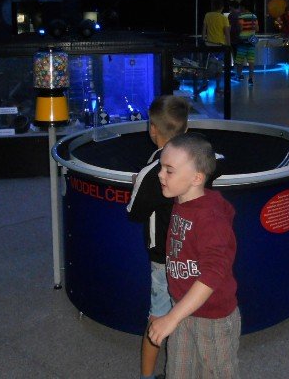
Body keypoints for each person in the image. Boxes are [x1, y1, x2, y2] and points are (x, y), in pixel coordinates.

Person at [148, 133, 240, 379]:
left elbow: (213, 274)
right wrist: (176, 314)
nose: (160, 175)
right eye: (161, 168)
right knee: (178, 372)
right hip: (182, 308)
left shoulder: (211, 218)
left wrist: (171, 318)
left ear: (197, 178)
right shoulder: (182, 201)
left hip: (212, 319)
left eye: (169, 170)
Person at [127, 95, 191, 379]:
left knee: (158, 319)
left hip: (163, 258)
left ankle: (147, 376)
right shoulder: (198, 160)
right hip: (193, 255)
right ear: (186, 129)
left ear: (152, 128)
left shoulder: (152, 173)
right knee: (187, 315)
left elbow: (134, 212)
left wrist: (136, 185)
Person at [201, 0, 230, 94]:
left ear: (213, 6)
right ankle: (217, 87)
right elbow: (227, 33)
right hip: (220, 46)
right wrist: (228, 46)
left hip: (209, 45)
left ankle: (205, 84)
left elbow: (204, 30)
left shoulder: (207, 15)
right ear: (222, 8)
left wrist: (203, 40)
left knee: (207, 66)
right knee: (219, 66)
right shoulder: (224, 18)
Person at [234, 0, 258, 86]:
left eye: (240, 7)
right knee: (251, 61)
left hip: (242, 41)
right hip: (251, 42)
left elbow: (240, 28)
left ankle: (238, 76)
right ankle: (250, 79)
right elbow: (257, 29)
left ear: (243, 7)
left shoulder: (241, 16)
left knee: (240, 60)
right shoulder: (254, 16)